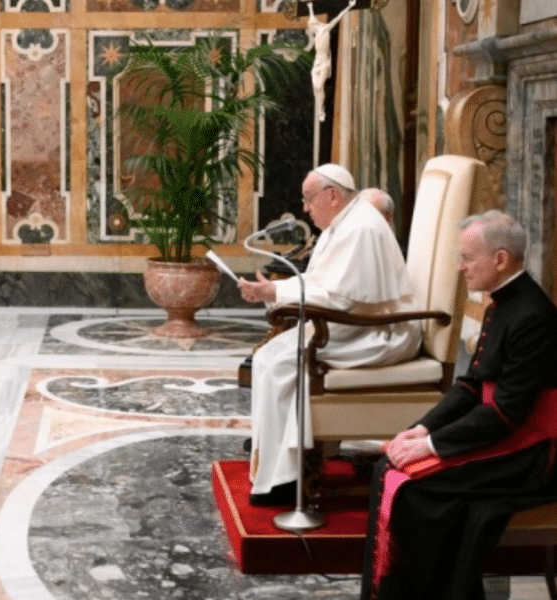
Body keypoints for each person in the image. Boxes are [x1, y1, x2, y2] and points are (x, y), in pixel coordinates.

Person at [360, 210, 557, 600]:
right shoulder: (501, 301)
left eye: (467, 258)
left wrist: (433, 447)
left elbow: (506, 413)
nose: (459, 267)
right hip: (502, 426)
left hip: (531, 448)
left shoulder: (532, 315)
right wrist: (423, 428)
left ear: (500, 260)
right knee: (389, 466)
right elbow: (471, 386)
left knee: (411, 484)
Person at [237, 163, 421, 505]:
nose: (306, 208)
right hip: (351, 323)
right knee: (266, 357)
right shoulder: (343, 225)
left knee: (281, 365)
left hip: (378, 331)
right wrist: (272, 289)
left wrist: (274, 294)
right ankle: (277, 467)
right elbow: (322, 284)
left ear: (333, 195)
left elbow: (338, 297)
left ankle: (286, 478)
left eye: (309, 199)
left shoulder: (360, 228)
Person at [304, 0, 355, 122]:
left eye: (312, 27)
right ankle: (319, 109)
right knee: (316, 88)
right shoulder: (317, 31)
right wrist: (310, 7)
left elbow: (338, 17)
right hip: (317, 63)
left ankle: (320, 110)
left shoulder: (326, 29)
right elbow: (311, 17)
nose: (312, 29)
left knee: (319, 86)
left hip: (324, 63)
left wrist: (349, 6)